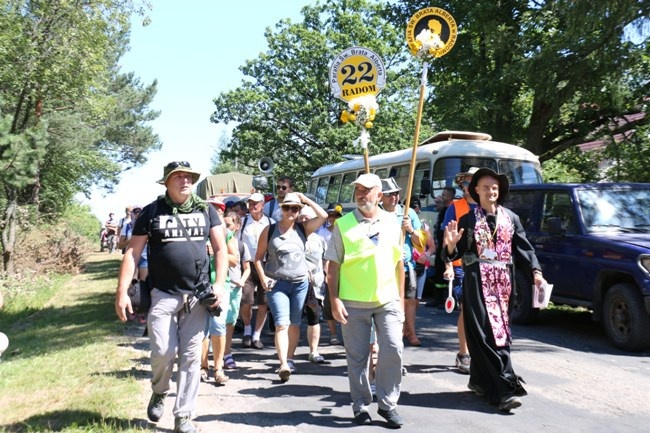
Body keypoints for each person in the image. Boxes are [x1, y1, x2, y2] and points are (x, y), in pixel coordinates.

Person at [114, 161, 228, 433]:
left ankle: (184, 415)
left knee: (190, 357)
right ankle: (160, 389)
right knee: (164, 352)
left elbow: (221, 249)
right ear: (166, 182)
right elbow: (132, 253)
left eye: (188, 176)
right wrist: (121, 291)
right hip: (162, 294)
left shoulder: (206, 210)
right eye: (178, 177)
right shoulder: (152, 211)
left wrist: (220, 284)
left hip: (197, 297)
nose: (185, 181)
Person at [442, 167, 546, 412]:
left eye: (495, 187)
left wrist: (536, 273)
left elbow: (524, 249)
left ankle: (479, 381)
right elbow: (456, 253)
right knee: (481, 334)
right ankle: (503, 390)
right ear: (475, 190)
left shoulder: (511, 218)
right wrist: (449, 248)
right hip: (476, 279)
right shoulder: (468, 218)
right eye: (486, 187)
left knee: (500, 332)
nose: (491, 191)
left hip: (503, 281)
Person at [325, 173, 405, 428]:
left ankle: (388, 405)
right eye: (357, 190)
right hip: (352, 301)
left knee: (393, 350)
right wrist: (335, 300)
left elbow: (399, 265)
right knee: (358, 357)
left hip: (387, 300)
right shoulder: (343, 224)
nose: (360, 194)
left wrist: (401, 301)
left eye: (366, 190)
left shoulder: (393, 223)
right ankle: (360, 406)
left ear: (379, 195)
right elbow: (333, 268)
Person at [254, 192, 327, 381]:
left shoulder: (303, 229)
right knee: (281, 324)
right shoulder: (269, 231)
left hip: (300, 283)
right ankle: (283, 364)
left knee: (295, 324)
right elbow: (258, 258)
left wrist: (305, 199)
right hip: (277, 284)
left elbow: (324, 216)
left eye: (295, 208)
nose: (291, 211)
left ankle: (290, 358)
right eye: (287, 207)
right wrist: (263, 278)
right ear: (281, 209)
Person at [442, 168, 479, 374]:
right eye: (465, 183)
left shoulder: (489, 206)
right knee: (467, 308)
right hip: (460, 267)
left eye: (472, 182)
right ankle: (464, 354)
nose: (468, 186)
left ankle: (480, 353)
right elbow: (447, 239)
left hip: (484, 267)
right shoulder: (455, 207)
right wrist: (448, 265)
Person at [380, 177, 424, 347]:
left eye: (396, 193)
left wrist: (411, 230)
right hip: (385, 266)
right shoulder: (377, 214)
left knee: (410, 301)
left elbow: (421, 242)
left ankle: (411, 333)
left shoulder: (408, 213)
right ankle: (391, 334)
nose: (394, 197)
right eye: (390, 194)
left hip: (406, 265)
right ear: (381, 196)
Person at [200, 195, 235, 385]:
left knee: (218, 325)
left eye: (215, 208)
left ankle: (219, 368)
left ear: (221, 211)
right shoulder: (197, 232)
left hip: (221, 285)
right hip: (199, 286)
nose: (211, 211)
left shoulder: (227, 233)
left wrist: (217, 252)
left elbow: (236, 260)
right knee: (202, 329)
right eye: (208, 207)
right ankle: (202, 367)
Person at [239, 192, 274, 349]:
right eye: (250, 203)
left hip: (266, 265)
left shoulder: (271, 223)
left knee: (263, 302)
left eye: (255, 203)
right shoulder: (243, 221)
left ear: (262, 205)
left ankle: (256, 335)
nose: (252, 206)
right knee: (246, 300)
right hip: (248, 265)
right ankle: (247, 330)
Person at [297, 205, 328, 364]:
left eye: (307, 218)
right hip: (296, 282)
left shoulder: (319, 240)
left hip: (315, 284)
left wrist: (326, 274)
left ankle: (314, 351)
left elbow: (325, 259)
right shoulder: (293, 237)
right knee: (292, 320)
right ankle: (288, 354)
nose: (303, 221)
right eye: (301, 218)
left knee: (314, 317)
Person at [221, 210, 251, 370]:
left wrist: (242, 281)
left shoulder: (241, 245)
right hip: (219, 286)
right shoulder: (214, 242)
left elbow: (247, 268)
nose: (225, 228)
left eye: (228, 225)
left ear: (237, 226)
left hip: (233, 288)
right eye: (223, 225)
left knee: (230, 322)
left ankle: (227, 353)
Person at [315, 202, 344, 345]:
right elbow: (322, 256)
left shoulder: (346, 231)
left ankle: (347, 333)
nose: (333, 218)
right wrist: (326, 274)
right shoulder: (322, 233)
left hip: (345, 272)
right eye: (331, 215)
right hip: (328, 270)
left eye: (336, 215)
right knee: (329, 304)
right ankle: (333, 334)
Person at [428, 187, 456, 307]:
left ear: (450, 197)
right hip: (440, 246)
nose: (442, 197)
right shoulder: (444, 210)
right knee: (439, 273)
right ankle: (438, 298)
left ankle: (446, 299)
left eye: (444, 195)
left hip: (448, 247)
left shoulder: (451, 209)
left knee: (446, 274)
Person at [409, 196, 435, 303]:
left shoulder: (424, 227)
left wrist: (426, 255)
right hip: (408, 266)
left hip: (421, 265)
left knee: (416, 300)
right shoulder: (400, 225)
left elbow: (432, 247)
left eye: (417, 212)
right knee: (407, 300)